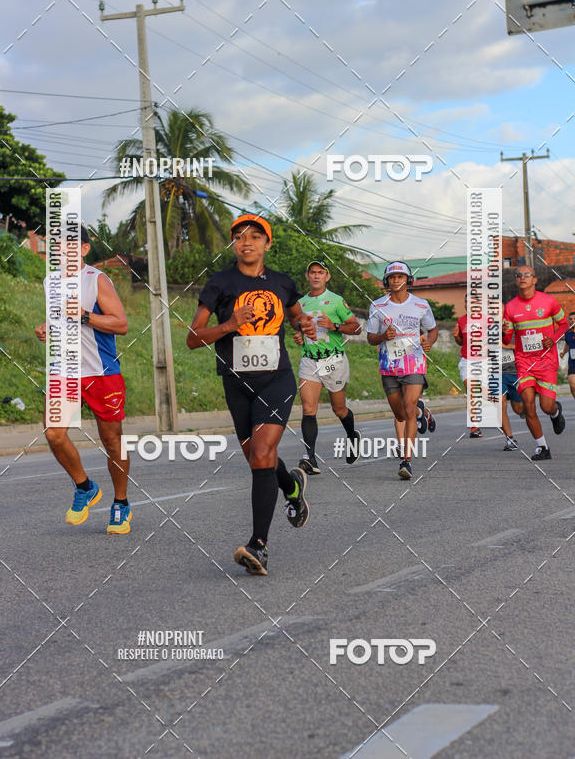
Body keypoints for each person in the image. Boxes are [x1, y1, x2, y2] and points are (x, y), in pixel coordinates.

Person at [186, 214, 314, 576]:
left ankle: (259, 545)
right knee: (259, 459)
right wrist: (229, 324)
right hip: (236, 383)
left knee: (261, 453)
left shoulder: (283, 283)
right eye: (240, 236)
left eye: (256, 236)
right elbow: (193, 338)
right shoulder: (220, 283)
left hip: (277, 379)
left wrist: (303, 324)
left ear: (267, 244)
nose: (247, 242)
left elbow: (296, 316)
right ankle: (291, 485)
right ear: (233, 243)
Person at [35, 225, 132, 533]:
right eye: (58, 246)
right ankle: (85, 486)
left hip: (101, 371)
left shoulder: (96, 280)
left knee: (112, 440)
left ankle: (121, 502)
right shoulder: (50, 281)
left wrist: (85, 315)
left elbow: (121, 324)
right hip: (64, 370)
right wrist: (46, 328)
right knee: (54, 433)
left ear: (84, 249)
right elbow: (59, 320)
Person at [367, 261, 437, 480]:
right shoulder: (378, 306)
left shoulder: (421, 305)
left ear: (408, 280)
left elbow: (433, 330)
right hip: (388, 365)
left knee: (408, 408)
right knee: (400, 414)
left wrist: (429, 342)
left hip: (414, 363)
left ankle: (406, 461)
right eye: (392, 277)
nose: (396, 280)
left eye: (400, 276)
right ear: (387, 280)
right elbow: (370, 337)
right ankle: (421, 412)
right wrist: (382, 337)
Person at [291, 259, 362, 474]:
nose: (316, 276)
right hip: (310, 360)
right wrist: (300, 335)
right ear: (307, 276)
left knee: (339, 409)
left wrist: (334, 326)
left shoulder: (336, 301)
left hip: (333, 361)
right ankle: (310, 458)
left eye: (320, 272)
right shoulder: (300, 303)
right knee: (308, 408)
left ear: (327, 276)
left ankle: (352, 436)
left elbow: (356, 328)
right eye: (312, 272)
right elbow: (298, 326)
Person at [503, 266, 568, 461]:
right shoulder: (510, 307)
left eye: (526, 275)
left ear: (535, 280)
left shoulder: (549, 301)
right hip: (524, 362)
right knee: (528, 406)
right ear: (516, 281)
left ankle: (555, 412)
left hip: (546, 361)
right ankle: (542, 447)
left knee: (546, 406)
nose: (522, 277)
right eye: (518, 275)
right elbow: (506, 339)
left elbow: (564, 324)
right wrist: (504, 330)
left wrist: (553, 339)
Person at [453, 295, 484, 438]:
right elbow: (460, 342)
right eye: (466, 301)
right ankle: (475, 426)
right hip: (467, 361)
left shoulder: (487, 320)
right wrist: (456, 336)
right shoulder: (461, 320)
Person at [500, 336, 524, 451]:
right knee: (499, 405)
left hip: (514, 372)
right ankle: (510, 439)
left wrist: (507, 346)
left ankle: (527, 409)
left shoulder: (512, 331)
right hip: (494, 374)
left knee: (519, 409)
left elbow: (523, 347)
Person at [559, 310, 575, 403]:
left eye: (574, 319)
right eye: (571, 319)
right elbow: (568, 344)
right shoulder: (568, 332)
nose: (573, 321)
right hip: (572, 362)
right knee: (572, 386)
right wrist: (563, 352)